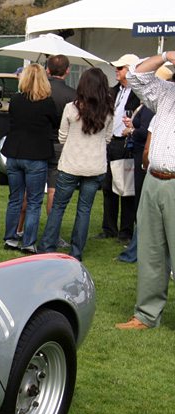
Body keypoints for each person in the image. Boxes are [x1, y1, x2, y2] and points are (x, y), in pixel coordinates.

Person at [115, 52, 175, 330]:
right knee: (150, 250)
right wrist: (165, 55)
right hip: (154, 178)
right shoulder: (166, 93)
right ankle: (146, 316)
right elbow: (136, 75)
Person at [36, 68, 113, 261]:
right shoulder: (108, 111)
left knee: (59, 207)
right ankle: (77, 252)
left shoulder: (72, 108)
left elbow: (62, 136)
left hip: (71, 164)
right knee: (84, 210)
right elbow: (108, 139)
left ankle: (47, 246)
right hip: (95, 166)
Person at [116, 66, 173, 264]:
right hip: (152, 165)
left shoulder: (156, 107)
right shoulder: (156, 105)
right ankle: (136, 250)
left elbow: (147, 141)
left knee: (147, 214)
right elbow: (135, 74)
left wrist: (132, 131)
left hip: (151, 164)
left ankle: (134, 251)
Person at [0, 64, 59, 253]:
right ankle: (28, 242)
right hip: (36, 155)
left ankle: (11, 238)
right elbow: (55, 123)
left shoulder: (16, 100)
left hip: (15, 153)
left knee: (15, 199)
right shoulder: (47, 102)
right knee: (34, 201)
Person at [94, 54, 141, 242]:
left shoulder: (139, 93)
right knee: (108, 186)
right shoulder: (112, 92)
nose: (117, 71)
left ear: (131, 70)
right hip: (110, 142)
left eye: (121, 68)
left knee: (126, 188)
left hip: (127, 143)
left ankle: (126, 231)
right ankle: (109, 228)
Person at [46, 54, 77, 211]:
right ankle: (51, 230)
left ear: (48, 71)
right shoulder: (73, 95)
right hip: (60, 144)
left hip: (38, 142)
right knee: (53, 188)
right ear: (67, 71)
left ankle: (19, 229)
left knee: (29, 188)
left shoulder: (39, 91)